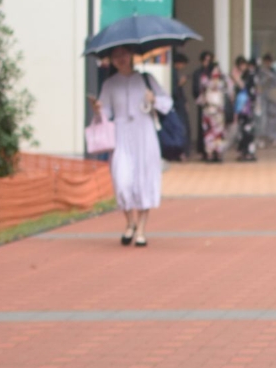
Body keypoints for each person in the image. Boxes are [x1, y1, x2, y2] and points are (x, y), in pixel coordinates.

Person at [89, 45, 172, 247]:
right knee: (122, 179)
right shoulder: (109, 84)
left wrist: (154, 100)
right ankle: (130, 222)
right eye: (115, 55)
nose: (120, 58)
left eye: (124, 54)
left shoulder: (146, 79)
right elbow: (105, 114)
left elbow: (166, 102)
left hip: (144, 134)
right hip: (121, 136)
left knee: (145, 178)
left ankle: (141, 229)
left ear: (132, 55)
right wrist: (98, 110)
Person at [198, 63, 228, 163]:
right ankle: (209, 153)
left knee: (219, 133)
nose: (216, 72)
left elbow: (226, 90)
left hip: (219, 112)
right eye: (214, 70)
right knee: (209, 133)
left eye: (217, 70)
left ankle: (218, 153)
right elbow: (202, 92)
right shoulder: (205, 79)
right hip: (208, 110)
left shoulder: (222, 81)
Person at [191, 50, 214, 160]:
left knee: (212, 127)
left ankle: (212, 150)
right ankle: (203, 150)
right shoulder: (198, 73)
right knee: (202, 127)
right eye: (205, 60)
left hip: (213, 104)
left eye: (209, 60)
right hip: (203, 103)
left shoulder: (214, 73)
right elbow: (195, 89)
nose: (207, 63)